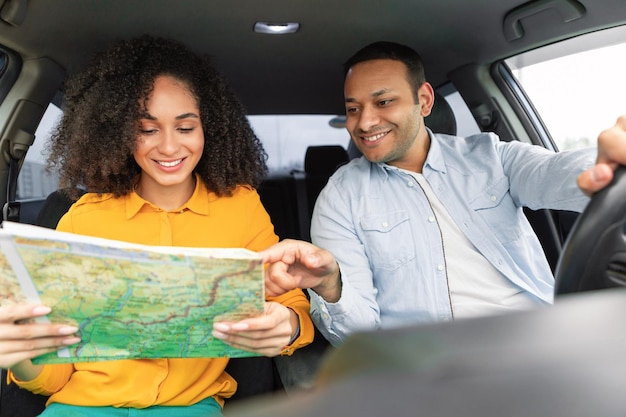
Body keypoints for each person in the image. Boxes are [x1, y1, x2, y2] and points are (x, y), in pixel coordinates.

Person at [0, 35, 314, 416]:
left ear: (208, 130)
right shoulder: (83, 217)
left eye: (185, 128)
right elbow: (56, 370)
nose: (168, 147)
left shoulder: (242, 208)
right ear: (118, 133)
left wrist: (290, 325)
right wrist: (18, 357)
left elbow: (291, 302)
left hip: (191, 405)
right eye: (147, 129)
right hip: (82, 406)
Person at [259, 40, 626, 347]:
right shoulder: (341, 197)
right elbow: (358, 337)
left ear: (425, 100)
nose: (364, 122)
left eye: (383, 102)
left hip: (537, 344)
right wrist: (330, 283)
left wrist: (607, 164)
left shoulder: (491, 156)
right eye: (353, 109)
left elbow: (558, 174)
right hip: (431, 370)